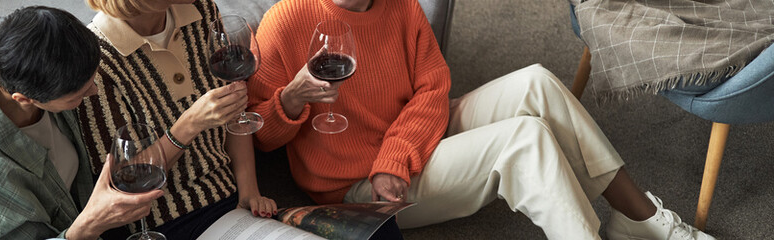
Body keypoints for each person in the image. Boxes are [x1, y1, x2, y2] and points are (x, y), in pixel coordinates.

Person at [247, 0, 715, 239]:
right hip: (356, 188)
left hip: (406, 145)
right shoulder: (287, 20)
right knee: (524, 139)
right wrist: (290, 100)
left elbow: (433, 87)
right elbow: (261, 136)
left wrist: (395, 154)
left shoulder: (401, 7)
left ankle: (640, 218)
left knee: (536, 81)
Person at [0, 6, 161, 239]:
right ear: (24, 98)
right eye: (78, 95)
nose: (94, 92)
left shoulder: (17, 59)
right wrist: (92, 222)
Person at [77, 0, 279, 238]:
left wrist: (249, 193)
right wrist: (189, 125)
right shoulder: (95, 59)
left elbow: (234, 108)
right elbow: (121, 183)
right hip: (161, 226)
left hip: (231, 202)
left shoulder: (202, 10)